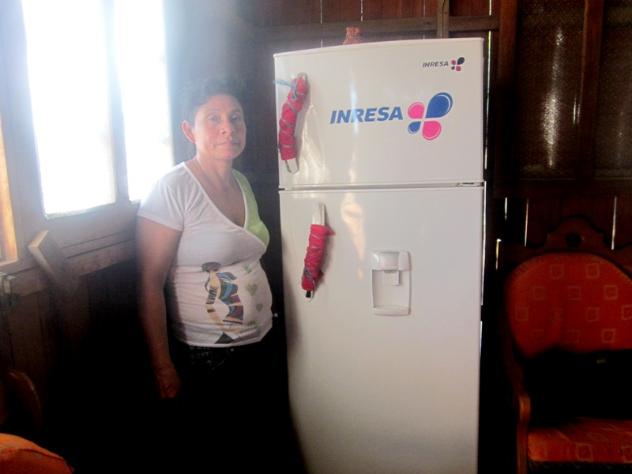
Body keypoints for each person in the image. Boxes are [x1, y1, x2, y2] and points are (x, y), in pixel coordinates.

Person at [136, 77, 281, 471]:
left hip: (260, 341)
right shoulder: (172, 189)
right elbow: (149, 282)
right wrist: (162, 365)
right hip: (206, 356)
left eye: (236, 118)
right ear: (190, 130)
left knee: (257, 447)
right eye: (213, 118)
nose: (228, 128)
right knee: (216, 453)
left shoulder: (242, 182)